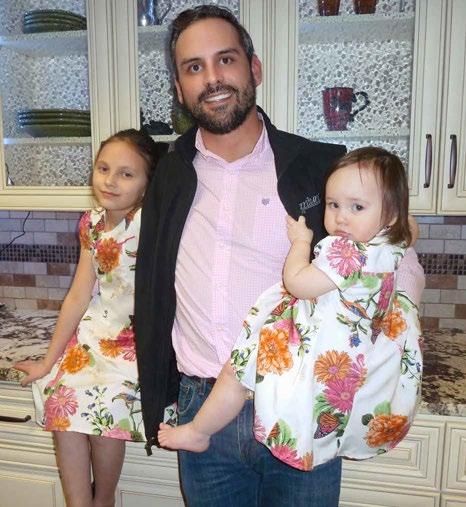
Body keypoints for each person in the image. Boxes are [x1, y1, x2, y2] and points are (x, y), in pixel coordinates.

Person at [134, 5, 425, 506]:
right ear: (180, 89)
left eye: (226, 59)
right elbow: (151, 286)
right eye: (194, 67)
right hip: (202, 402)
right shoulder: (169, 172)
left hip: (302, 402)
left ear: (255, 68)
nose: (212, 78)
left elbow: (399, 253)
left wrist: (380, 338)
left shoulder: (320, 165)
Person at [158, 146, 423, 472]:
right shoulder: (391, 244)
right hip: (352, 358)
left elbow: (297, 283)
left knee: (236, 372)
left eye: (357, 207)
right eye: (333, 204)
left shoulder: (348, 253)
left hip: (312, 349)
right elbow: (411, 229)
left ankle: (198, 431)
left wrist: (300, 242)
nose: (341, 217)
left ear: (390, 214)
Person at [14, 129, 168, 507]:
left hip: (136, 341)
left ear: (147, 183)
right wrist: (48, 362)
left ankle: (104, 501)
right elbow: (79, 294)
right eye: (103, 168)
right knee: (60, 406)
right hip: (95, 334)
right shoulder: (92, 222)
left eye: (126, 174)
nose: (110, 181)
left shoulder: (151, 224)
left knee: (104, 416)